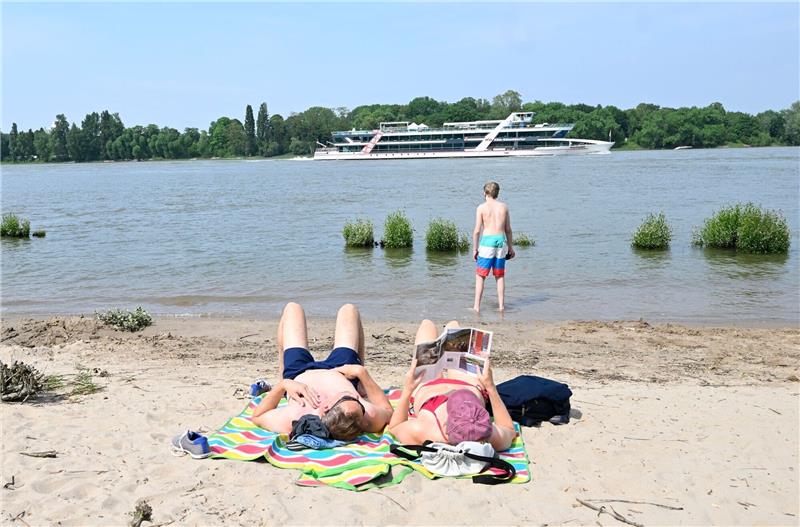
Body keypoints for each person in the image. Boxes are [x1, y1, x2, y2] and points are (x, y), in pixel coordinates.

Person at [251, 302, 393, 441]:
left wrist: (283, 385)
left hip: (298, 373)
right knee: (349, 310)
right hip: (342, 372)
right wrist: (361, 372)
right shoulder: (363, 416)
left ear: (326, 407)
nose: (354, 397)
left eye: (347, 398)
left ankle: (282, 375)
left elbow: (257, 417)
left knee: (292, 309)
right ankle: (360, 384)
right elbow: (388, 411)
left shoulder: (294, 416)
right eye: (358, 401)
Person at [388, 319, 517, 451]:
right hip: (468, 385)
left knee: (427, 325)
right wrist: (490, 387)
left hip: (429, 388)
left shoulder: (427, 431)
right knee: (454, 327)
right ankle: (450, 326)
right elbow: (509, 429)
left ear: (445, 426)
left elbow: (395, 426)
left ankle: (441, 325)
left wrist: (408, 389)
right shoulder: (484, 435)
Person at [472, 180, 515, 313]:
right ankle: (501, 306)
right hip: (501, 242)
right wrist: (511, 247)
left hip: (487, 243)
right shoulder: (504, 207)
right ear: (497, 193)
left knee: (480, 276)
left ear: (485, 192)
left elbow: (477, 231)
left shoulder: (481, 208)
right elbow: (508, 229)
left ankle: (476, 307)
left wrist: (475, 249)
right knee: (500, 276)